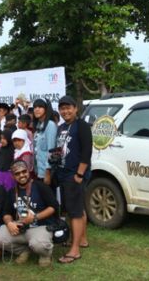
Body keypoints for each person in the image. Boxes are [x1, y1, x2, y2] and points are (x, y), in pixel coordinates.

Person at [0, 160, 58, 267]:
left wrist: (35, 217)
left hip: (39, 227)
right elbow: (6, 213)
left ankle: (45, 255)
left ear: (29, 171)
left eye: (24, 171)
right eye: (17, 173)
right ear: (13, 176)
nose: (22, 175)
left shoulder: (40, 186)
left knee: (38, 245)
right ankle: (23, 251)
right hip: (20, 228)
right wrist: (9, 223)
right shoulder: (11, 191)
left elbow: (53, 207)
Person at [55, 95, 92, 263]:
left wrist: (79, 174)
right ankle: (81, 239)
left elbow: (86, 152)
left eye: (68, 107)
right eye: (62, 108)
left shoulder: (82, 126)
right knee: (76, 208)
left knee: (74, 212)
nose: (65, 111)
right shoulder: (61, 127)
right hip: (63, 172)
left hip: (74, 174)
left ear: (76, 108)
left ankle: (74, 249)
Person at [32, 99, 58, 185]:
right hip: (38, 172)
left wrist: (48, 172)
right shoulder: (38, 126)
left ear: (46, 109)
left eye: (40, 107)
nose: (37, 109)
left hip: (47, 174)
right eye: (35, 107)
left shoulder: (50, 125)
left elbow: (52, 151)